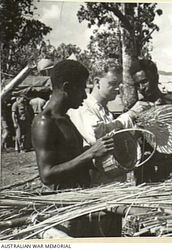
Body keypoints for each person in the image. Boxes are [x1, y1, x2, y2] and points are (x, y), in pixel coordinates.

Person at [32, 60, 120, 237]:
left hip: (82, 202)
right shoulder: (44, 123)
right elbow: (47, 175)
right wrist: (90, 154)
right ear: (67, 87)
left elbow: (71, 157)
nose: (85, 96)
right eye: (81, 88)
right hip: (65, 210)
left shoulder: (65, 119)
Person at [68, 65, 151, 185]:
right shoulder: (83, 107)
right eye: (113, 83)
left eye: (119, 84)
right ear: (97, 82)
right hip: (96, 183)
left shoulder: (105, 111)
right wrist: (130, 115)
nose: (118, 88)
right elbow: (98, 136)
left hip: (112, 179)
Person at [132, 59, 172, 185]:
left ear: (155, 77)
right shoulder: (136, 109)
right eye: (137, 85)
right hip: (147, 172)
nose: (141, 88)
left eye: (144, 81)